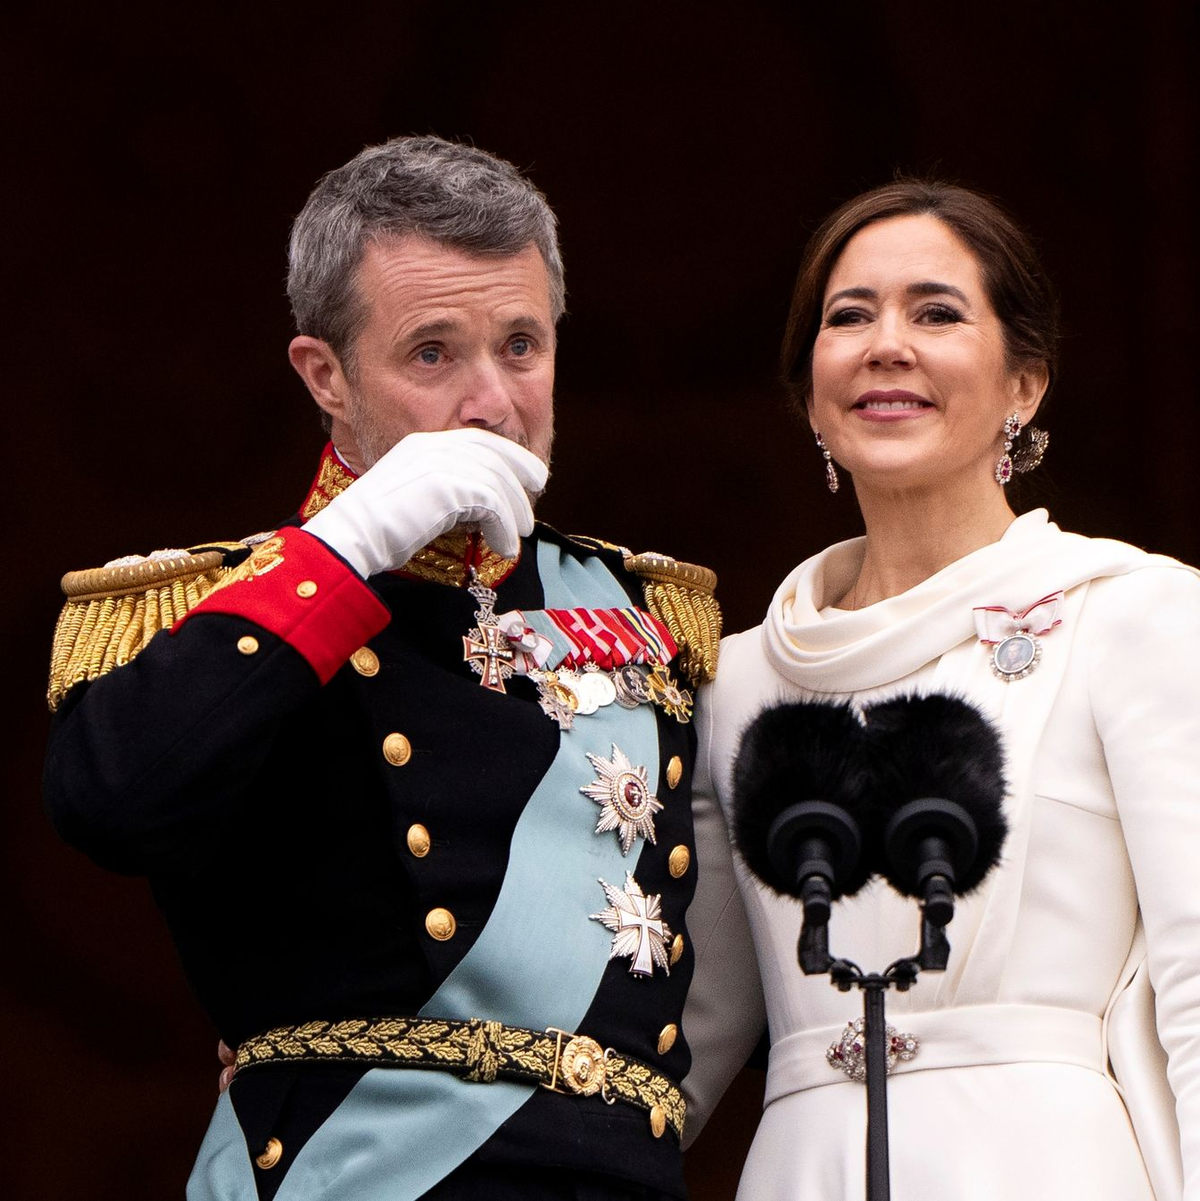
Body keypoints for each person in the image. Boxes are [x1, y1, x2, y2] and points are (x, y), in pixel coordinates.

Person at [44, 136, 762, 1201]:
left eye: (521, 346)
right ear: (324, 375)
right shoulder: (211, 609)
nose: (490, 400)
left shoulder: (656, 614)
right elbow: (109, 799)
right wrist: (344, 548)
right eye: (433, 354)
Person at [694, 180, 1200, 1199]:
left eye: (936, 312)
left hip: (1046, 1162)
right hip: (804, 1169)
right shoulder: (737, 678)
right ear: (810, 391)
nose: (888, 344)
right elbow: (690, 1035)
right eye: (849, 317)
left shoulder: (1134, 613)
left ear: (1026, 383)